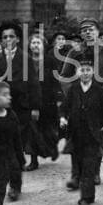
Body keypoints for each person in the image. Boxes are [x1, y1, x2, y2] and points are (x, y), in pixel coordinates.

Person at [59, 18, 103, 189]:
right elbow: (64, 76)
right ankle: (76, 174)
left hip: (98, 103)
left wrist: (102, 95)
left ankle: (94, 173)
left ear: (98, 32)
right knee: (75, 139)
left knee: (96, 139)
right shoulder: (74, 53)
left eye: (91, 29)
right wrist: (73, 95)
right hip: (78, 102)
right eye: (84, 30)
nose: (88, 33)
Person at [0, 20, 41, 201]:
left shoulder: (25, 58)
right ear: (1, 41)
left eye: (11, 36)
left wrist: (35, 107)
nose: (8, 40)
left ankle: (15, 185)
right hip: (0, 110)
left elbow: (34, 84)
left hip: (21, 109)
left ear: (18, 39)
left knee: (15, 148)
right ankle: (2, 183)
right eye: (5, 37)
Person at [60, 51, 103, 205]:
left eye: (88, 70)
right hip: (75, 134)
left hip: (92, 135)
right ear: (77, 72)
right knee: (80, 166)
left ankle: (84, 199)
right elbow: (64, 107)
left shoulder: (99, 91)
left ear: (93, 72)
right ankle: (89, 195)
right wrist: (62, 118)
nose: (85, 73)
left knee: (89, 167)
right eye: (82, 70)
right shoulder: (73, 89)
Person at [25, 33, 61, 170]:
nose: (35, 45)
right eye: (33, 43)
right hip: (32, 100)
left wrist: (58, 98)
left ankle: (53, 148)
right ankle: (34, 161)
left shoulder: (50, 61)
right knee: (33, 130)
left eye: (38, 43)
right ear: (29, 45)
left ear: (43, 45)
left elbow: (55, 80)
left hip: (48, 100)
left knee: (49, 129)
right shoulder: (26, 61)